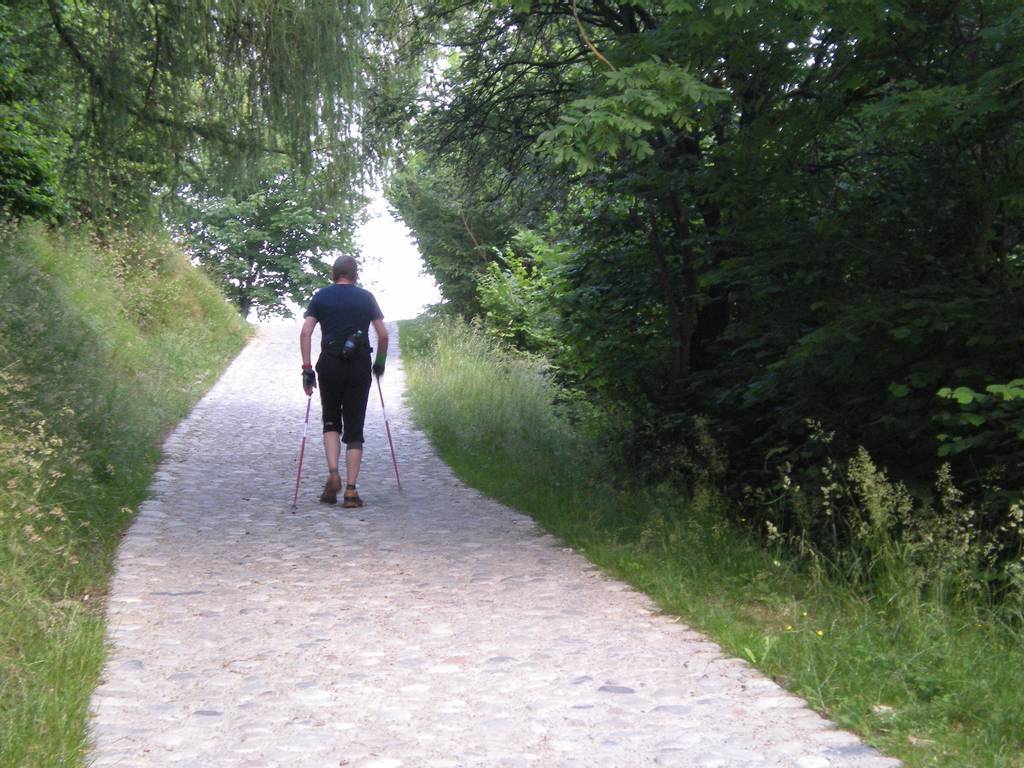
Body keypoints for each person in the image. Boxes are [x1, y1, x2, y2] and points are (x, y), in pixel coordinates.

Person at [299, 255, 388, 507]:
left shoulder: (321, 296)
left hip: (329, 365)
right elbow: (383, 335)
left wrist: (307, 369)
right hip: (358, 366)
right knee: (354, 427)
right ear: (356, 276)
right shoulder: (366, 298)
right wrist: (379, 364)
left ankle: (333, 474)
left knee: (330, 421)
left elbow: (305, 332)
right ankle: (350, 492)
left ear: (333, 274)